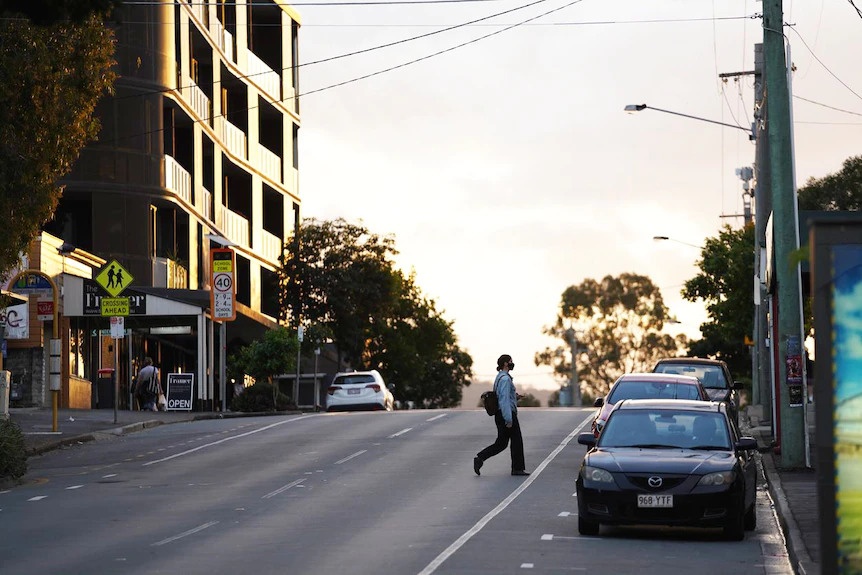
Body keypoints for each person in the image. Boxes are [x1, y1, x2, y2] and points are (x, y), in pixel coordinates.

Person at [474, 354, 530, 477]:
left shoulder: (500, 377)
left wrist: (515, 397)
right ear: (505, 363)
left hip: (501, 414)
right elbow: (503, 400)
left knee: (501, 443)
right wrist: (509, 419)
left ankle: (480, 458)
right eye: (510, 361)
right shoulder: (505, 379)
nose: (512, 363)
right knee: (516, 441)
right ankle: (517, 468)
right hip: (506, 413)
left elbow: (502, 396)